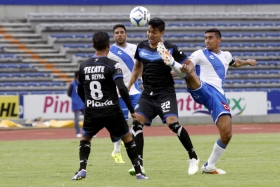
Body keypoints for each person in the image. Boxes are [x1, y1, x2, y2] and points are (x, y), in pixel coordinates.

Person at [157, 28, 257, 174]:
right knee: (190, 74)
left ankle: (209, 166)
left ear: (219, 40)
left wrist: (248, 62)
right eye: (205, 38)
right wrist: (185, 67)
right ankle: (172, 61)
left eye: (210, 38)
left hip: (218, 96)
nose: (207, 41)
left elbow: (236, 62)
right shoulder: (200, 53)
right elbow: (190, 64)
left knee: (227, 134)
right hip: (202, 88)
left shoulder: (226, 56)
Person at [126, 17, 199, 176]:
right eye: (148, 31)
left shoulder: (170, 48)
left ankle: (193, 157)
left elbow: (189, 64)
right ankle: (139, 164)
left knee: (173, 124)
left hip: (165, 93)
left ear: (162, 33)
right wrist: (128, 86)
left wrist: (184, 67)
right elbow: (137, 68)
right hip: (147, 94)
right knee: (137, 123)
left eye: (154, 32)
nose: (150, 35)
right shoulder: (141, 46)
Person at [71, 31, 148, 180]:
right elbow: (122, 88)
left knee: (85, 138)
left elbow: (79, 90)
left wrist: (89, 104)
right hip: (111, 110)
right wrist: (132, 111)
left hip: (93, 111)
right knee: (127, 138)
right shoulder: (112, 65)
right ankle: (139, 172)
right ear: (108, 45)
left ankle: (82, 169)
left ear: (93, 45)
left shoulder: (83, 66)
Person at [108, 24, 142, 164]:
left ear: (126, 34)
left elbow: (141, 66)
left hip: (135, 90)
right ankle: (116, 151)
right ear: (114, 35)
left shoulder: (135, 48)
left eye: (122, 32)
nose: (119, 35)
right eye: (117, 33)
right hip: (119, 92)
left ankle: (129, 138)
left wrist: (143, 79)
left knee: (139, 118)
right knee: (120, 123)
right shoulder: (109, 51)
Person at [67, 71, 84, 138]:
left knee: (87, 118)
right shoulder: (72, 84)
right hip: (76, 103)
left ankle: (88, 132)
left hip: (83, 102)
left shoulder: (82, 83)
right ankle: (78, 132)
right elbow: (68, 93)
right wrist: (74, 98)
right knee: (77, 119)